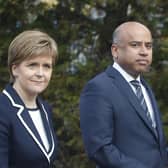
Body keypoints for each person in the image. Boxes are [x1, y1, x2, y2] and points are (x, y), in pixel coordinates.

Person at [80, 21, 168, 168]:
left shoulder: (145, 88)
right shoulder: (98, 88)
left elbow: (154, 146)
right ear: (115, 51)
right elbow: (100, 149)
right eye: (135, 45)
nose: (144, 51)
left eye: (149, 46)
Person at [0, 30, 58, 168]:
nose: (40, 73)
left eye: (46, 66)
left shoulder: (45, 109)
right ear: (15, 69)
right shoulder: (2, 110)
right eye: (32, 65)